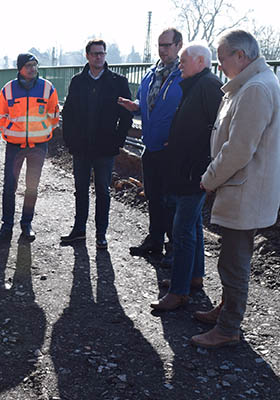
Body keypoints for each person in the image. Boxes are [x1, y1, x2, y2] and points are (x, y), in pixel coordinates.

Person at [190, 30, 280, 348]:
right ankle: (226, 309)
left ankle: (228, 327)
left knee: (234, 262)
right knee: (231, 256)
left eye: (222, 56)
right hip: (243, 188)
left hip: (245, 190)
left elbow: (239, 149)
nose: (219, 62)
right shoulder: (250, 84)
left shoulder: (255, 89)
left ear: (240, 56)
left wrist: (210, 177)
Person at [149, 43, 223, 311]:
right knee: (192, 227)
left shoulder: (209, 86)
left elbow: (215, 132)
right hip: (188, 167)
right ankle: (193, 277)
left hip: (194, 171)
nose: (179, 66)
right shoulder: (197, 84)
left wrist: (200, 160)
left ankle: (179, 291)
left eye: (183, 61)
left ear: (201, 61)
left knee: (182, 230)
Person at [118, 28, 184, 267]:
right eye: (160, 45)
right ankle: (155, 240)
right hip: (151, 146)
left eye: (167, 45)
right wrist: (133, 106)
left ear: (179, 45)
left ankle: (174, 247)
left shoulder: (185, 74)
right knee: (154, 196)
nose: (162, 50)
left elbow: (190, 112)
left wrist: (179, 138)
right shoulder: (150, 74)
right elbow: (145, 104)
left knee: (171, 200)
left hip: (173, 150)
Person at [60, 39, 132, 249]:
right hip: (81, 147)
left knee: (103, 190)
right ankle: (79, 231)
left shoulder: (117, 81)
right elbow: (69, 113)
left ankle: (101, 234)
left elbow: (126, 115)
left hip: (105, 148)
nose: (98, 57)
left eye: (101, 53)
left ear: (105, 55)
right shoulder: (77, 81)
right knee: (80, 189)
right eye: (94, 54)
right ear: (87, 56)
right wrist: (69, 140)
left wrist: (117, 141)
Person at [0, 53, 60, 245]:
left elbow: (54, 114)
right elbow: (0, 115)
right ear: (20, 68)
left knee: (32, 187)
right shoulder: (9, 89)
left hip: (38, 146)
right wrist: (10, 132)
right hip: (14, 145)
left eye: (35, 65)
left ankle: (26, 224)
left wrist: (44, 131)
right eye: (28, 65)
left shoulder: (47, 88)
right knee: (9, 187)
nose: (32, 69)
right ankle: (6, 228)